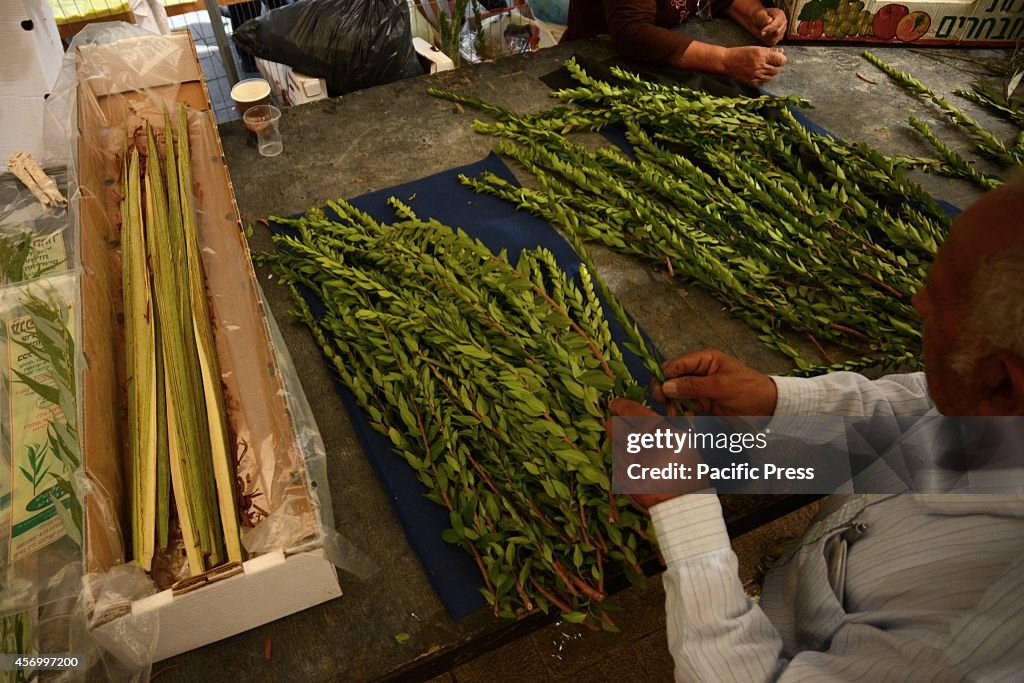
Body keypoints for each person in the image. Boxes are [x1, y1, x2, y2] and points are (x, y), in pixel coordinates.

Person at [611, 176, 1024, 681]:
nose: (917, 302)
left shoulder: (978, 640)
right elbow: (928, 406)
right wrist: (776, 401)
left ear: (1002, 381)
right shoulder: (999, 402)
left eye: (937, 298)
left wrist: (682, 508)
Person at [562, 0, 789, 85]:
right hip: (594, 61)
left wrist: (756, 15)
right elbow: (632, 32)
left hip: (659, 55)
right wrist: (726, 61)